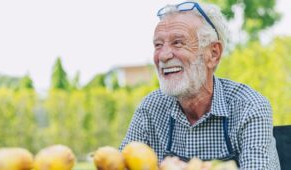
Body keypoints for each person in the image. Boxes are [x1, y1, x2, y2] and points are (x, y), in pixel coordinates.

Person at [120, 1, 280, 169]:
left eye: (178, 42)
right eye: (158, 45)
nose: (163, 55)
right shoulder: (151, 108)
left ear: (213, 54)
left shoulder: (249, 107)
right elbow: (119, 164)